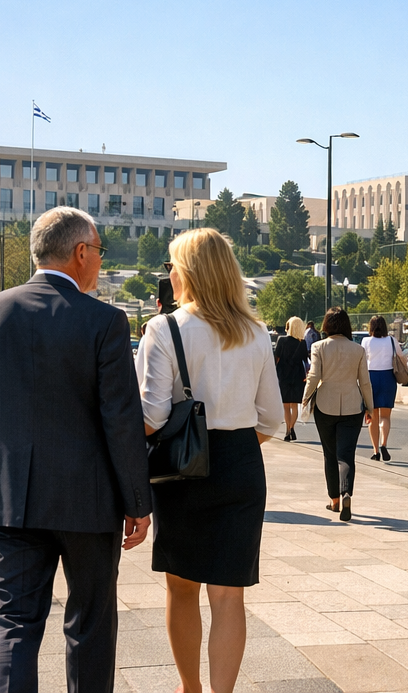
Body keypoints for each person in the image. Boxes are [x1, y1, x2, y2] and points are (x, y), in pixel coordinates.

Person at [0, 206, 151, 693]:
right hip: (89, 501)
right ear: (81, 252)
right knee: (90, 624)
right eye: (99, 250)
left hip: (10, 500)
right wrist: (137, 502)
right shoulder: (105, 321)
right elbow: (121, 420)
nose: (101, 260)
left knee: (11, 621)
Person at [136, 227, 284, 693]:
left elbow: (151, 416)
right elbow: (272, 418)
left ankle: (190, 688)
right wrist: (231, 443)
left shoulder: (164, 329)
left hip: (182, 466)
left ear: (188, 272)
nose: (169, 275)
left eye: (171, 266)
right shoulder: (255, 332)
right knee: (228, 594)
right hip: (241, 463)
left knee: (181, 586)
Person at [303, 307, 374, 521]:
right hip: (353, 406)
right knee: (346, 454)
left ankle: (334, 500)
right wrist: (370, 407)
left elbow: (314, 376)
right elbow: (365, 382)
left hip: (325, 405)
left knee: (329, 454)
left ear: (326, 324)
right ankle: (346, 493)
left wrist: (305, 399)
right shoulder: (358, 350)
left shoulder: (318, 346)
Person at [363, 315, 401, 461]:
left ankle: (375, 451)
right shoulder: (391, 340)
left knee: (372, 416)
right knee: (385, 416)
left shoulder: (366, 341)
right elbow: (401, 356)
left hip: (371, 378)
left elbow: (362, 359)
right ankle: (384, 444)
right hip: (388, 378)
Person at [274, 317, 310, 442]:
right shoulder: (302, 343)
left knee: (285, 405)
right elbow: (305, 360)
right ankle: (292, 428)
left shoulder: (281, 340)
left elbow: (277, 357)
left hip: (283, 374)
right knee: (294, 404)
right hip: (297, 375)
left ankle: (287, 430)